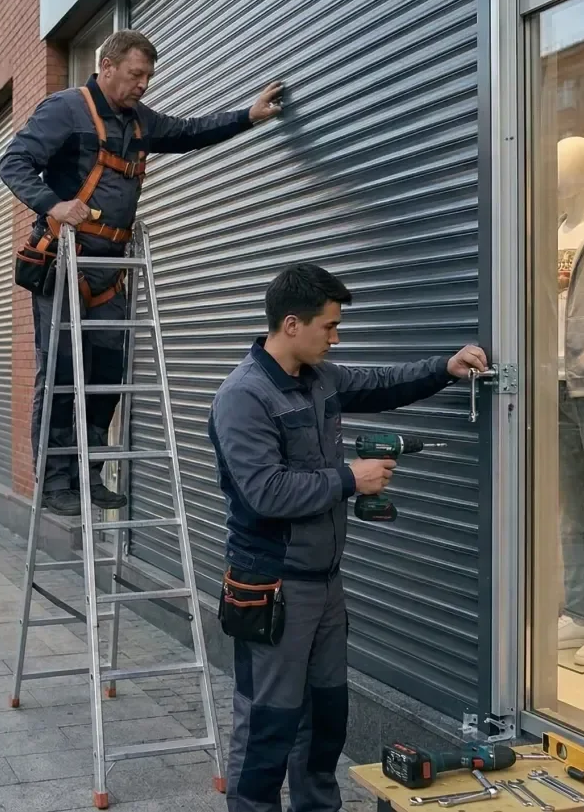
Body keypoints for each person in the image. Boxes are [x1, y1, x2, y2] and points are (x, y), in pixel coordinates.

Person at [208, 265, 488, 812]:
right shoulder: (244, 396)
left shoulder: (320, 379)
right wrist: (349, 479)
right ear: (292, 324)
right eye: (329, 327)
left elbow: (384, 383)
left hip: (324, 585)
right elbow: (264, 492)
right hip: (272, 585)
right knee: (269, 722)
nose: (336, 338)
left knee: (326, 718)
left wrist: (446, 368)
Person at [1, 28, 285, 517]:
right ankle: (54, 481)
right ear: (106, 66)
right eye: (136, 75)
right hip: (64, 263)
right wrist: (56, 204)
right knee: (63, 374)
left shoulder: (139, 121)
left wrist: (247, 117)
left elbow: (189, 131)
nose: (143, 85)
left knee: (108, 375)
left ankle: (89, 476)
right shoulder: (65, 109)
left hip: (111, 272)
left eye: (149, 77)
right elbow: (14, 163)